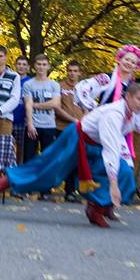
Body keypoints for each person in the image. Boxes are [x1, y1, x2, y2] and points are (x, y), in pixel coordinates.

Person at [0, 83, 140, 228]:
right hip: (76, 139)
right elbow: (111, 149)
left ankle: (97, 209)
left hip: (95, 146)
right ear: (127, 97)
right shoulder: (114, 114)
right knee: (43, 173)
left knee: (124, 171)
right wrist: (113, 185)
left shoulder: (133, 111)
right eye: (139, 100)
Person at [22, 54, 62, 200]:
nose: (41, 67)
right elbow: (27, 104)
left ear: (48, 66)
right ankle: (26, 188)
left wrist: (36, 105)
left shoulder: (54, 85)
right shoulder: (28, 85)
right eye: (38, 64)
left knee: (47, 159)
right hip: (33, 125)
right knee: (29, 158)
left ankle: (45, 191)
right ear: (34, 66)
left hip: (49, 125)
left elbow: (55, 104)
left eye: (44, 64)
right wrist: (30, 124)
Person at [56, 60, 86, 202]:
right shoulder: (60, 86)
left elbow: (88, 107)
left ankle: (72, 191)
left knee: (77, 160)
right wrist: (72, 120)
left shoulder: (84, 88)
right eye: (70, 71)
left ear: (79, 73)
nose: (72, 73)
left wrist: (83, 121)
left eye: (75, 71)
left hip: (80, 129)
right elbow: (57, 108)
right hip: (62, 128)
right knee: (63, 159)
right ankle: (55, 188)